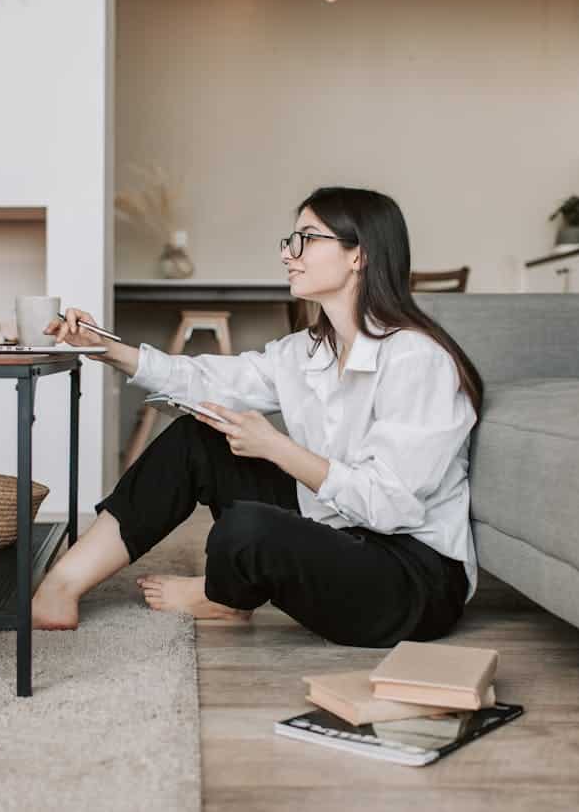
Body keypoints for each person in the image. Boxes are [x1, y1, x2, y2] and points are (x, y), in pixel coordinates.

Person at [33, 186, 484, 648]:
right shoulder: (307, 350)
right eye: (291, 240)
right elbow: (204, 380)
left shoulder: (415, 360)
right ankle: (62, 583)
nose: (290, 254)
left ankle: (222, 595)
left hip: (412, 576)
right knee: (198, 436)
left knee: (246, 531)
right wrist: (107, 349)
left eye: (308, 238)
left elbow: (390, 507)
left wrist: (277, 448)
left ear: (358, 256)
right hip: (338, 530)